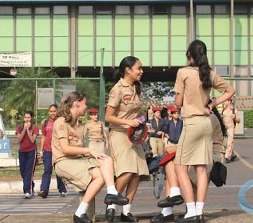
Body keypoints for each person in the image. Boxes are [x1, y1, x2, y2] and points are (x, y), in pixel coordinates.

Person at [173, 40, 235, 222]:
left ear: (190, 56)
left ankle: (191, 210)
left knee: (180, 167)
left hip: (191, 123)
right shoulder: (209, 73)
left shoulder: (183, 72)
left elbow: (178, 102)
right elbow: (230, 90)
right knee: (201, 168)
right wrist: (213, 103)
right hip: (207, 122)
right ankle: (199, 211)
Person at [52, 91, 129, 223]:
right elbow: (65, 149)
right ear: (77, 103)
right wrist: (90, 150)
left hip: (77, 161)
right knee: (103, 166)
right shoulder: (61, 122)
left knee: (106, 162)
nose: (86, 107)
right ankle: (111, 193)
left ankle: (81, 212)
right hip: (63, 162)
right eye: (85, 103)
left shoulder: (79, 124)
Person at [105, 56, 149, 222]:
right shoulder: (118, 89)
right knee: (126, 171)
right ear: (128, 70)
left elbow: (134, 113)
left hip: (134, 135)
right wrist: (127, 122)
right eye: (138, 68)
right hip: (119, 133)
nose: (141, 71)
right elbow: (108, 116)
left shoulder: (136, 87)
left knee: (136, 174)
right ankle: (111, 206)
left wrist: (140, 124)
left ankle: (126, 211)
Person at [150, 107, 184, 223]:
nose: (176, 115)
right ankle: (167, 211)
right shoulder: (168, 122)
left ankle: (193, 211)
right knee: (168, 167)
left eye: (177, 113)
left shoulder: (184, 122)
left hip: (183, 149)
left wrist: (176, 148)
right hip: (173, 145)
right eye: (175, 113)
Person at [38, 104, 67, 198]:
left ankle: (62, 190)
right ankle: (44, 190)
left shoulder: (61, 122)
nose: (52, 113)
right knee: (47, 171)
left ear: (57, 111)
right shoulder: (46, 123)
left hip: (58, 150)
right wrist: (41, 150)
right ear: (48, 112)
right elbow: (43, 137)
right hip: (47, 150)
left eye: (54, 111)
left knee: (59, 171)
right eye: (51, 111)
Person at [16, 110, 39, 199]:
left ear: (31, 118)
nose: (27, 119)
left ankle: (27, 191)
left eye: (28, 117)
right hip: (22, 151)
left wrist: (29, 130)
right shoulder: (19, 127)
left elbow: (32, 140)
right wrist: (24, 129)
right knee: (23, 171)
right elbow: (19, 139)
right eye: (25, 117)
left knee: (29, 172)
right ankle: (31, 184)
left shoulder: (34, 127)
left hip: (31, 151)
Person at [222, 98, 239, 163]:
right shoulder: (223, 110)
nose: (223, 102)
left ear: (229, 101)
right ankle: (232, 155)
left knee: (230, 143)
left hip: (231, 128)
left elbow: (238, 120)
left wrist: (234, 117)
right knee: (225, 143)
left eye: (225, 100)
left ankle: (227, 157)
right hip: (225, 129)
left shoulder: (234, 110)